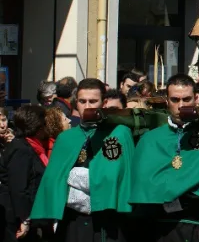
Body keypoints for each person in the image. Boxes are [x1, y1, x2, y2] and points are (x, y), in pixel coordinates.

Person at [129, 74, 199, 241]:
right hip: (165, 231)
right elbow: (143, 194)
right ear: (166, 101)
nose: (180, 106)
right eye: (175, 100)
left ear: (195, 99)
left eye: (186, 99)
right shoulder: (150, 139)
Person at [30, 78, 135, 242]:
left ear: (104, 102)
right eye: (82, 101)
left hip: (109, 222)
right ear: (75, 103)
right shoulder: (66, 138)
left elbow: (125, 176)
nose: (87, 106)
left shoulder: (119, 133)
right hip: (74, 222)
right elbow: (53, 181)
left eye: (93, 101)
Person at [0, 106, 49, 240]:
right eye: (44, 124)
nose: (46, 128)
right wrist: (24, 219)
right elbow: (19, 188)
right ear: (36, 126)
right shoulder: (21, 149)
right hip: (16, 219)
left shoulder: (31, 147)